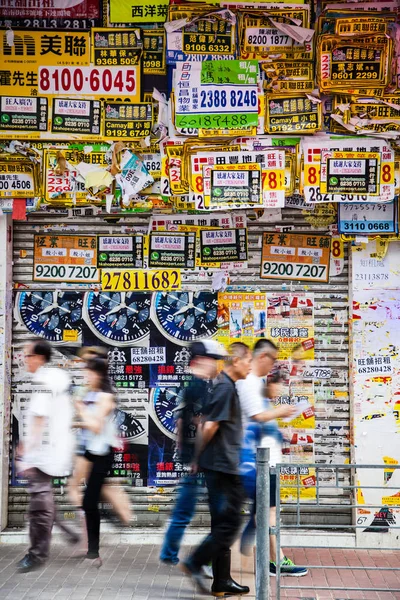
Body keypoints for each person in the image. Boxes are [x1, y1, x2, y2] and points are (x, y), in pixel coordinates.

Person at [182, 342, 252, 597]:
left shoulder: (225, 386)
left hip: (223, 465)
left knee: (224, 524)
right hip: (222, 468)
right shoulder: (224, 387)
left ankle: (221, 581)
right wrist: (198, 457)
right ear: (236, 362)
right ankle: (195, 562)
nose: (250, 366)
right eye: (248, 361)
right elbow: (208, 427)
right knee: (229, 525)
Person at [237, 339, 308, 577]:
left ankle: (271, 560)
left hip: (266, 462)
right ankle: (276, 561)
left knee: (261, 515)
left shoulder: (258, 385)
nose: (274, 365)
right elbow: (257, 417)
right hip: (258, 463)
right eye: (273, 359)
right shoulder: (248, 383)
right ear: (263, 357)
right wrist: (281, 411)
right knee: (266, 514)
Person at [160, 340, 225, 575]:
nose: (215, 365)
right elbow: (200, 425)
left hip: (192, 457)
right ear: (200, 361)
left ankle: (170, 554)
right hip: (198, 460)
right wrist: (194, 457)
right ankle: (193, 560)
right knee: (196, 510)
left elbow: (180, 422)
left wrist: (183, 450)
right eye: (212, 360)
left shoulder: (187, 384)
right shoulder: (198, 387)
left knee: (185, 510)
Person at [16, 339, 74, 573]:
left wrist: (26, 449)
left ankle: (37, 554)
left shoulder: (43, 380)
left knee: (40, 505)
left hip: (45, 450)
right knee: (43, 498)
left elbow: (39, 417)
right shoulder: (55, 377)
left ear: (39, 358)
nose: (23, 359)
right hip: (55, 448)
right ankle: (69, 532)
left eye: (27, 355)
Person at [68, 346, 131, 529]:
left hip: (101, 444)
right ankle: (101, 516)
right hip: (89, 444)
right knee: (96, 486)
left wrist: (80, 409)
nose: (84, 367)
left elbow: (96, 423)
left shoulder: (103, 392)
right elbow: (84, 419)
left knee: (87, 487)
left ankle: (102, 519)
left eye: (88, 361)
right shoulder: (86, 388)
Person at [74, 357, 117, 568]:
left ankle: (93, 555)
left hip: (102, 454)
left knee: (89, 503)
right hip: (90, 453)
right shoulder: (91, 395)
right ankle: (93, 551)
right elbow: (88, 424)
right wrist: (74, 422)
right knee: (88, 501)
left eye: (89, 373)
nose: (86, 377)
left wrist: (80, 409)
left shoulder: (106, 397)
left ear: (99, 375)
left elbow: (97, 426)